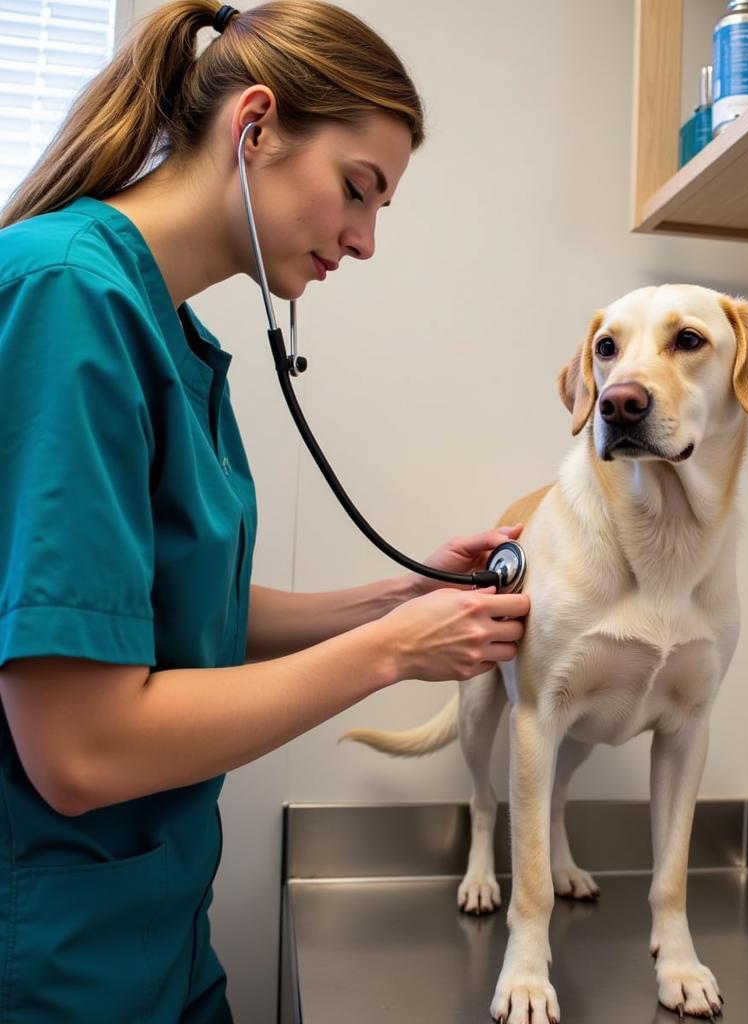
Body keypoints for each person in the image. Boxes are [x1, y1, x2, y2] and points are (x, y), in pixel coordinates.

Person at [0, 1, 529, 1020]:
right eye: (357, 190)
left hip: (153, 934)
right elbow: (80, 749)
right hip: (51, 961)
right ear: (255, 127)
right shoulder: (69, 299)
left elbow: (174, 619)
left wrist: (399, 595)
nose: (366, 241)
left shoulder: (170, 334)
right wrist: (396, 653)